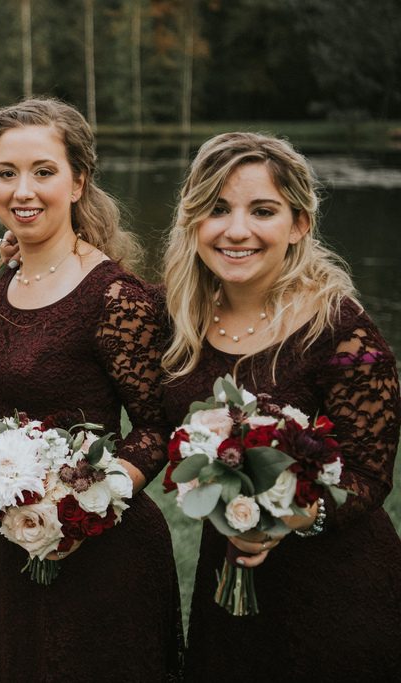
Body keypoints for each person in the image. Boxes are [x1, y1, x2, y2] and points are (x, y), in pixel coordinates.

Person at [160, 132, 401, 679]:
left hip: (335, 597)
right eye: (217, 209)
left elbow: (368, 475)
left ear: (298, 225)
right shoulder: (180, 320)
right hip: (226, 597)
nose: (236, 230)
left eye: (262, 210)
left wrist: (290, 518)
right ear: (192, 219)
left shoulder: (339, 330)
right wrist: (17, 251)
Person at [0, 98, 182, 681]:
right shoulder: (6, 278)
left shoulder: (116, 298)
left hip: (100, 554)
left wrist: (80, 505)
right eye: (6, 173)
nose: (22, 190)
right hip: (8, 547)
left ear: (78, 181)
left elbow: (159, 428)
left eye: (43, 171)